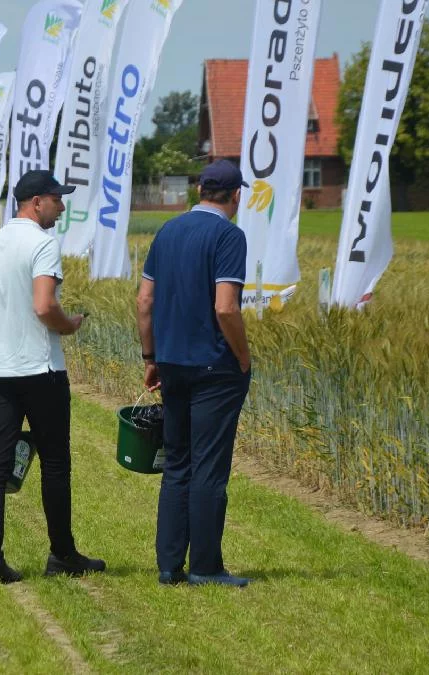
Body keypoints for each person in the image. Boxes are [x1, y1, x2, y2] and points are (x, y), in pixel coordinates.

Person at [0, 170, 105, 584]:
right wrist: (70, 325)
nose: (61, 208)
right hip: (40, 370)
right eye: (57, 200)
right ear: (36, 203)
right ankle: (62, 554)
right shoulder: (43, 244)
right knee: (55, 463)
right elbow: (45, 306)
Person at [136, 159, 253, 588]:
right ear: (236, 195)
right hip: (213, 367)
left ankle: (169, 565)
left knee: (177, 464)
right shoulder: (229, 236)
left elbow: (144, 301)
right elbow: (226, 307)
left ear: (199, 190)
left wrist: (151, 356)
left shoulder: (167, 231)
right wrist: (243, 357)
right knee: (209, 467)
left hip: (171, 363)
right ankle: (205, 566)